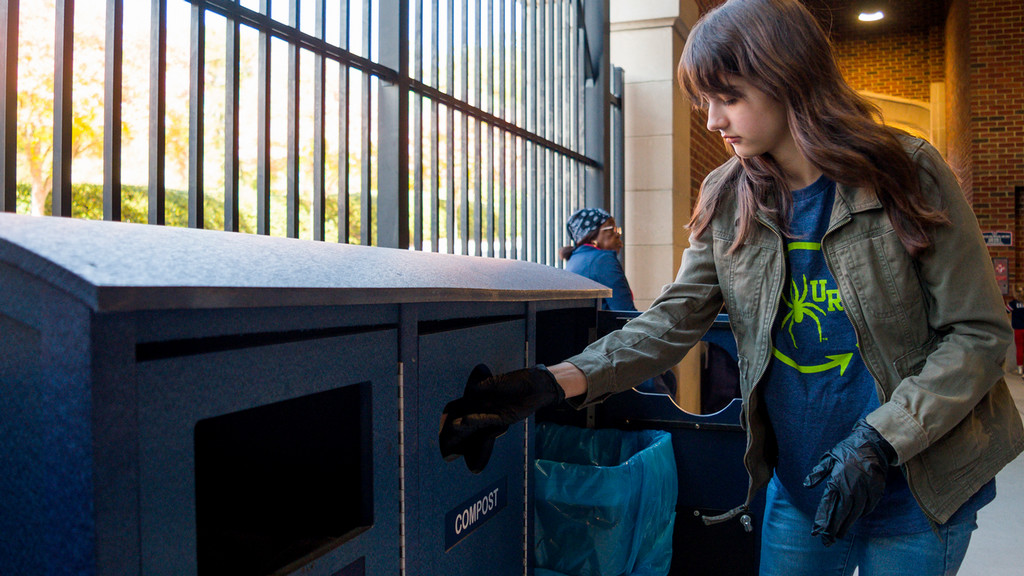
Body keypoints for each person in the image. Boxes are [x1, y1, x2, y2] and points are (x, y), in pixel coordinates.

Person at [439, 1, 1024, 574]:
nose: (713, 121)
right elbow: (673, 319)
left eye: (730, 98)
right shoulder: (727, 196)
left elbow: (977, 334)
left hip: (916, 494)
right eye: (706, 102)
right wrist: (554, 382)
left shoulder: (906, 171)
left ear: (790, 79)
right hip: (799, 489)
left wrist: (880, 439)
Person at [560, 208, 635, 312]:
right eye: (611, 228)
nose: (618, 234)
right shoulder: (602, 260)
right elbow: (625, 313)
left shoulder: (575, 259)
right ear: (592, 235)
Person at [1006, 287, 1024, 374]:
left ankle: (1020, 368)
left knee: (1020, 348)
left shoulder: (1013, 303)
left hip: (1018, 329)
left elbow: (1006, 311)